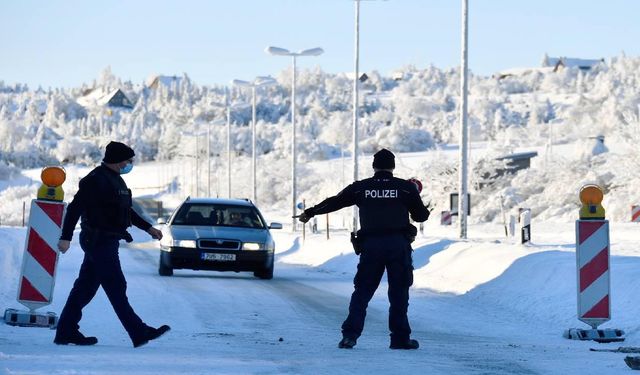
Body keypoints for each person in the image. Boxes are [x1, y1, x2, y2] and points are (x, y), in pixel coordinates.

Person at [297, 148, 430, 350]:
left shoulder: (361, 188)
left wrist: (311, 212)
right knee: (399, 293)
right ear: (393, 167)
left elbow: (336, 201)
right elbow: (421, 216)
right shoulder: (405, 188)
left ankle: (350, 336)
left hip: (371, 246)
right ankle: (400, 338)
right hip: (398, 245)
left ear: (374, 166)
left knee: (362, 292)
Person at [54, 141, 170, 348]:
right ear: (118, 161)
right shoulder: (95, 180)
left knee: (85, 288)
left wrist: (148, 228)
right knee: (116, 286)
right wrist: (66, 237)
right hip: (98, 240)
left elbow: (126, 211)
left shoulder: (116, 181)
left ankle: (66, 330)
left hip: (106, 240)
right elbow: (74, 208)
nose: (130, 164)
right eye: (128, 160)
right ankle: (139, 331)